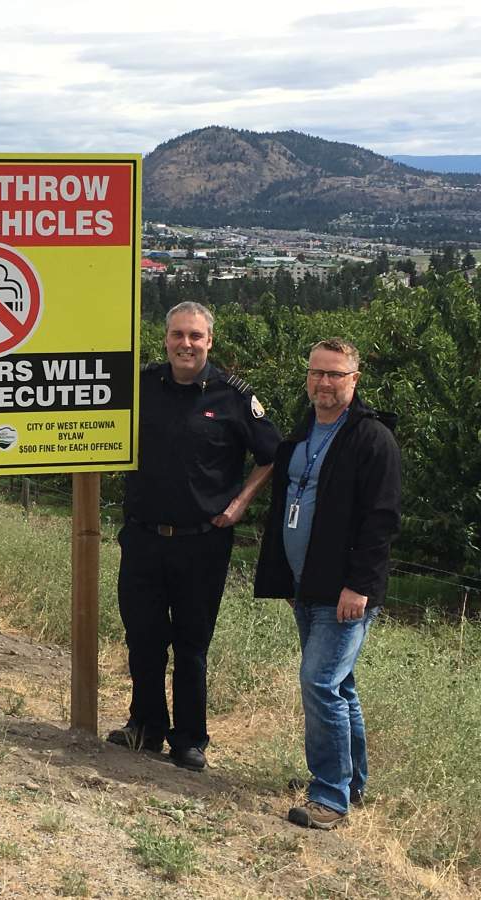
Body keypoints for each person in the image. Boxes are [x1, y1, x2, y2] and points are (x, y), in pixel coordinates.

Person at [110, 301, 280, 770]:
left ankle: (189, 740)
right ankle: (145, 727)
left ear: (210, 341)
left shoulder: (233, 397)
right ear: (165, 339)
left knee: (191, 645)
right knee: (143, 639)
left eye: (195, 336)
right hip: (143, 537)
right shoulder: (141, 385)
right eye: (177, 335)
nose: (186, 344)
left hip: (202, 542)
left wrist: (240, 503)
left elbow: (272, 454)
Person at [254, 338, 400, 830]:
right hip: (306, 585)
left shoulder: (372, 439)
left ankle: (329, 796)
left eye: (335, 374)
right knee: (339, 685)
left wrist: (359, 586)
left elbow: (381, 520)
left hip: (345, 592)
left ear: (354, 380)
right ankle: (351, 784)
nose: (324, 383)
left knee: (319, 682)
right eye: (317, 372)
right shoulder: (302, 432)